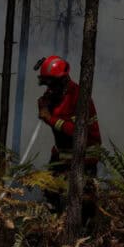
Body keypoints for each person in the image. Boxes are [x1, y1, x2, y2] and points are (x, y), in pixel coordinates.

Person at [34, 55, 102, 223]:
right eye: (46, 84)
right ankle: (52, 231)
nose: (48, 89)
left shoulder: (79, 98)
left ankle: (85, 238)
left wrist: (49, 118)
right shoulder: (55, 96)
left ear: (62, 80)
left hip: (84, 158)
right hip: (61, 155)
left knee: (83, 204)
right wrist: (43, 105)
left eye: (51, 84)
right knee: (50, 194)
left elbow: (76, 132)